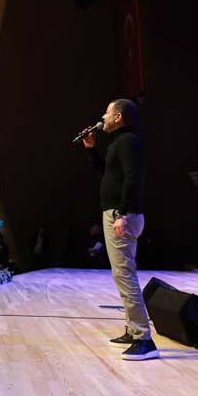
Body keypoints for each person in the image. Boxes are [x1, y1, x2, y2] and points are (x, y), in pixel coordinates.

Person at [83, 98, 156, 360]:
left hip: (120, 214)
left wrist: (123, 213)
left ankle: (143, 339)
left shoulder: (128, 142)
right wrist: (92, 151)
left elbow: (133, 178)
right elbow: (108, 174)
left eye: (107, 112)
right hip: (116, 213)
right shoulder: (120, 142)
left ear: (118, 117)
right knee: (123, 273)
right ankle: (131, 329)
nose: (102, 116)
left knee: (124, 275)